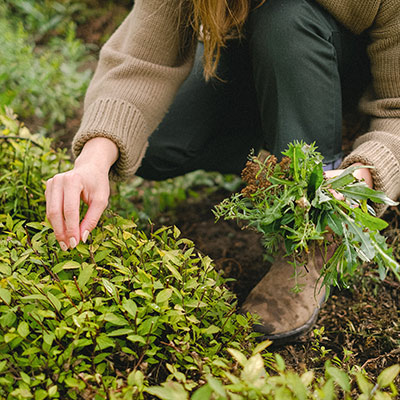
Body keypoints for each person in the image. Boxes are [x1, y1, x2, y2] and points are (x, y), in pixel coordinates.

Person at [45, 0, 400, 342]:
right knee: (160, 139)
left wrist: (365, 173)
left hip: (341, 66)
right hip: (262, 55)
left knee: (285, 18)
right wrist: (92, 160)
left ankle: (311, 236)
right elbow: (143, 56)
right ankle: (280, 164)